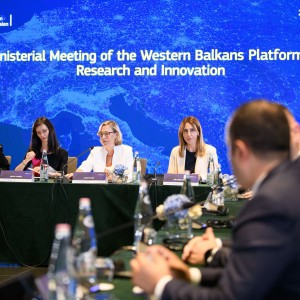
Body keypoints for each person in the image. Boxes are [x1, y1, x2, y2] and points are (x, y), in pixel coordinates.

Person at [130, 99, 300, 299]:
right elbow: (258, 268)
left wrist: (161, 284)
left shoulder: (269, 204)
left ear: (240, 151)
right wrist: (190, 273)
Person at [182, 104, 300, 268]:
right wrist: (217, 244)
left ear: (240, 151)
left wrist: (164, 283)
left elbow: (246, 278)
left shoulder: (272, 201)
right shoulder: (285, 185)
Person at [167, 116, 218, 181]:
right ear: (182, 134)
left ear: (198, 132)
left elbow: (215, 177)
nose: (188, 134)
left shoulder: (210, 151)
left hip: (201, 190)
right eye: (185, 131)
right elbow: (170, 177)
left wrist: (200, 178)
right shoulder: (175, 151)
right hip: (179, 190)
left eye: (192, 130)